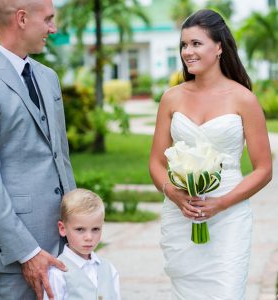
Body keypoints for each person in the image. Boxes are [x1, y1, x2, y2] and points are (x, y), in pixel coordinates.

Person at [149, 9, 272, 300]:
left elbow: (264, 169)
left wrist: (221, 204)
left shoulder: (244, 99)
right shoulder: (172, 97)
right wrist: (174, 193)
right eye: (184, 45)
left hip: (229, 215)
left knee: (226, 292)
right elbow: (156, 162)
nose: (187, 52)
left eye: (196, 43)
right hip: (182, 212)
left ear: (219, 47)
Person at [0, 0, 76, 299]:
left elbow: (61, 158)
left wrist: (78, 229)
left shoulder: (48, 77)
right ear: (21, 19)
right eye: (47, 19)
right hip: (12, 255)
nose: (53, 28)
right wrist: (27, 252)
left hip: (65, 247)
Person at [43, 188, 121, 300]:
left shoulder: (109, 269)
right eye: (80, 229)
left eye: (95, 229)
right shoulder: (57, 274)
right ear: (62, 228)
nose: (89, 237)